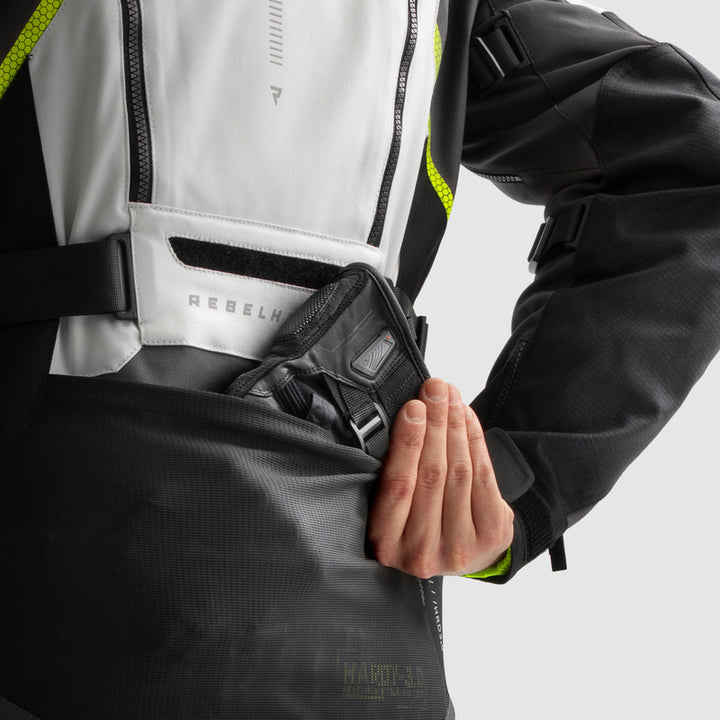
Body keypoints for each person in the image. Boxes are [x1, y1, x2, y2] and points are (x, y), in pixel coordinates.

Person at [1, 1, 720, 718]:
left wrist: (502, 486)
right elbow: (692, 156)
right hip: (356, 643)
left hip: (69, 598)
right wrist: (520, 480)